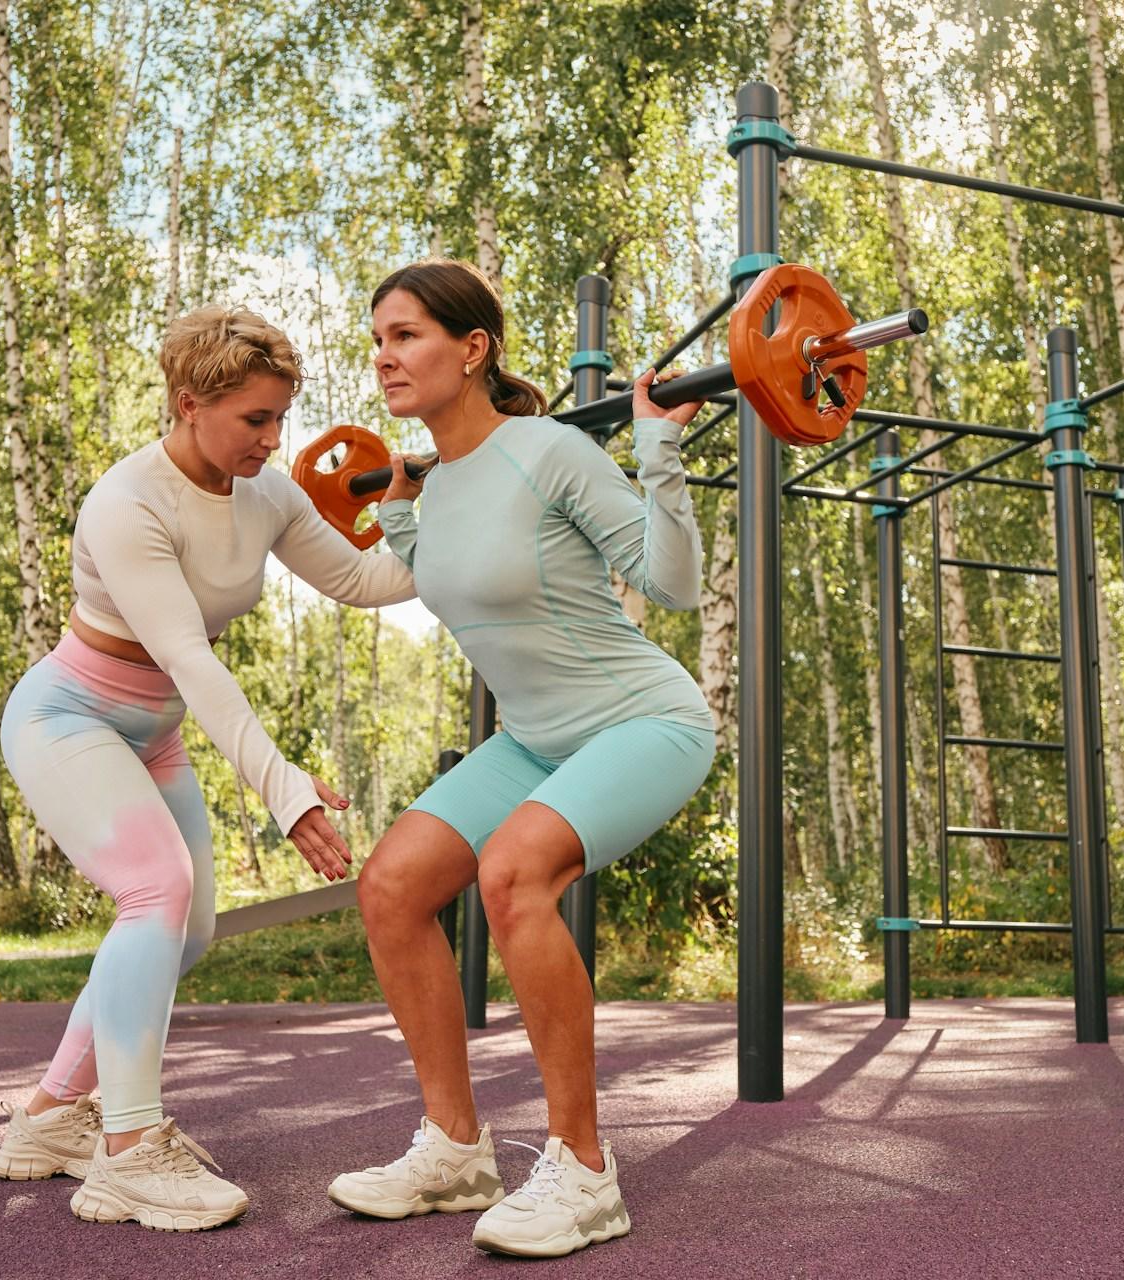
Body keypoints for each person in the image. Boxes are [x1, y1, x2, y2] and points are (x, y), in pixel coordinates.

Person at [0, 305, 415, 1231]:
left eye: (280, 419)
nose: (274, 440)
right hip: (68, 713)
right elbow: (190, 656)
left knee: (186, 931)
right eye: (255, 420)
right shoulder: (127, 502)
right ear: (190, 404)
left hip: (154, 730)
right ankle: (130, 1151)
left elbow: (364, 580)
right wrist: (283, 788)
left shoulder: (265, 491)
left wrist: (435, 510)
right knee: (156, 891)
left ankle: (51, 1115)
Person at [326, 259, 715, 1258]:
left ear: (473, 348)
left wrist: (661, 450)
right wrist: (404, 503)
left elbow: (669, 584)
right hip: (535, 739)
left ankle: (583, 1169)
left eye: (407, 334)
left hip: (640, 719)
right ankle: (456, 1148)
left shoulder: (549, 450)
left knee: (511, 872)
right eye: (378, 338)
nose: (385, 356)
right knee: (391, 885)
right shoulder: (438, 483)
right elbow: (434, 575)